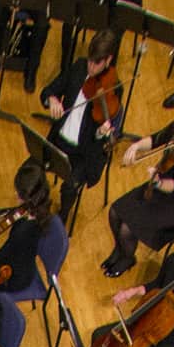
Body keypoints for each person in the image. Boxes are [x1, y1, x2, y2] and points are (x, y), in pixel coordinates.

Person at [102, 93, 174, 278]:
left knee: (127, 228)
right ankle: (120, 250)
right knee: (115, 212)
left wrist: (157, 182)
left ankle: (127, 258)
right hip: (161, 186)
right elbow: (157, 139)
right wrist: (136, 146)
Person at [40, 30, 122, 224]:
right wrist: (52, 100)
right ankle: (36, 207)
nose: (91, 67)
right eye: (90, 61)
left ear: (108, 60)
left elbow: (110, 131)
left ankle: (62, 216)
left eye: (97, 63)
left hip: (84, 151)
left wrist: (102, 132)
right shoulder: (78, 67)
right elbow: (49, 90)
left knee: (69, 187)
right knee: (30, 169)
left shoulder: (114, 87)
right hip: (59, 139)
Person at [0, 163, 55, 297]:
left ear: (30, 198)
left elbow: (1, 255)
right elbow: (17, 211)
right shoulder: (38, 208)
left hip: (14, 276)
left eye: (19, 193)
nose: (15, 193)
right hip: (23, 262)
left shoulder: (23, 232)